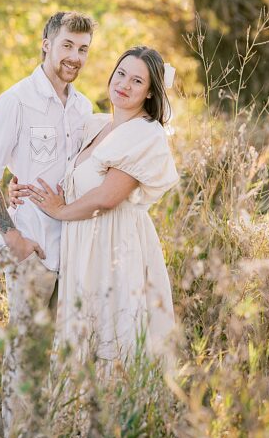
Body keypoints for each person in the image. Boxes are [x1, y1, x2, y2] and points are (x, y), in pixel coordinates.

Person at [0, 11, 95, 438]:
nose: (74, 57)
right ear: (46, 43)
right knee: (25, 354)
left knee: (65, 352)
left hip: (75, 250)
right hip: (32, 252)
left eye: (82, 49)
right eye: (67, 46)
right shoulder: (15, 101)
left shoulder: (83, 107)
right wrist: (13, 236)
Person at [25, 45, 179, 364]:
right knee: (83, 333)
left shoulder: (144, 134)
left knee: (111, 333)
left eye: (137, 81)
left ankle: (114, 409)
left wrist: (59, 211)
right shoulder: (98, 126)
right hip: (83, 242)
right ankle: (79, 412)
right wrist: (21, 184)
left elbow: (107, 197)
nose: (124, 85)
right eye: (121, 74)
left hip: (114, 245)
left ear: (151, 93)